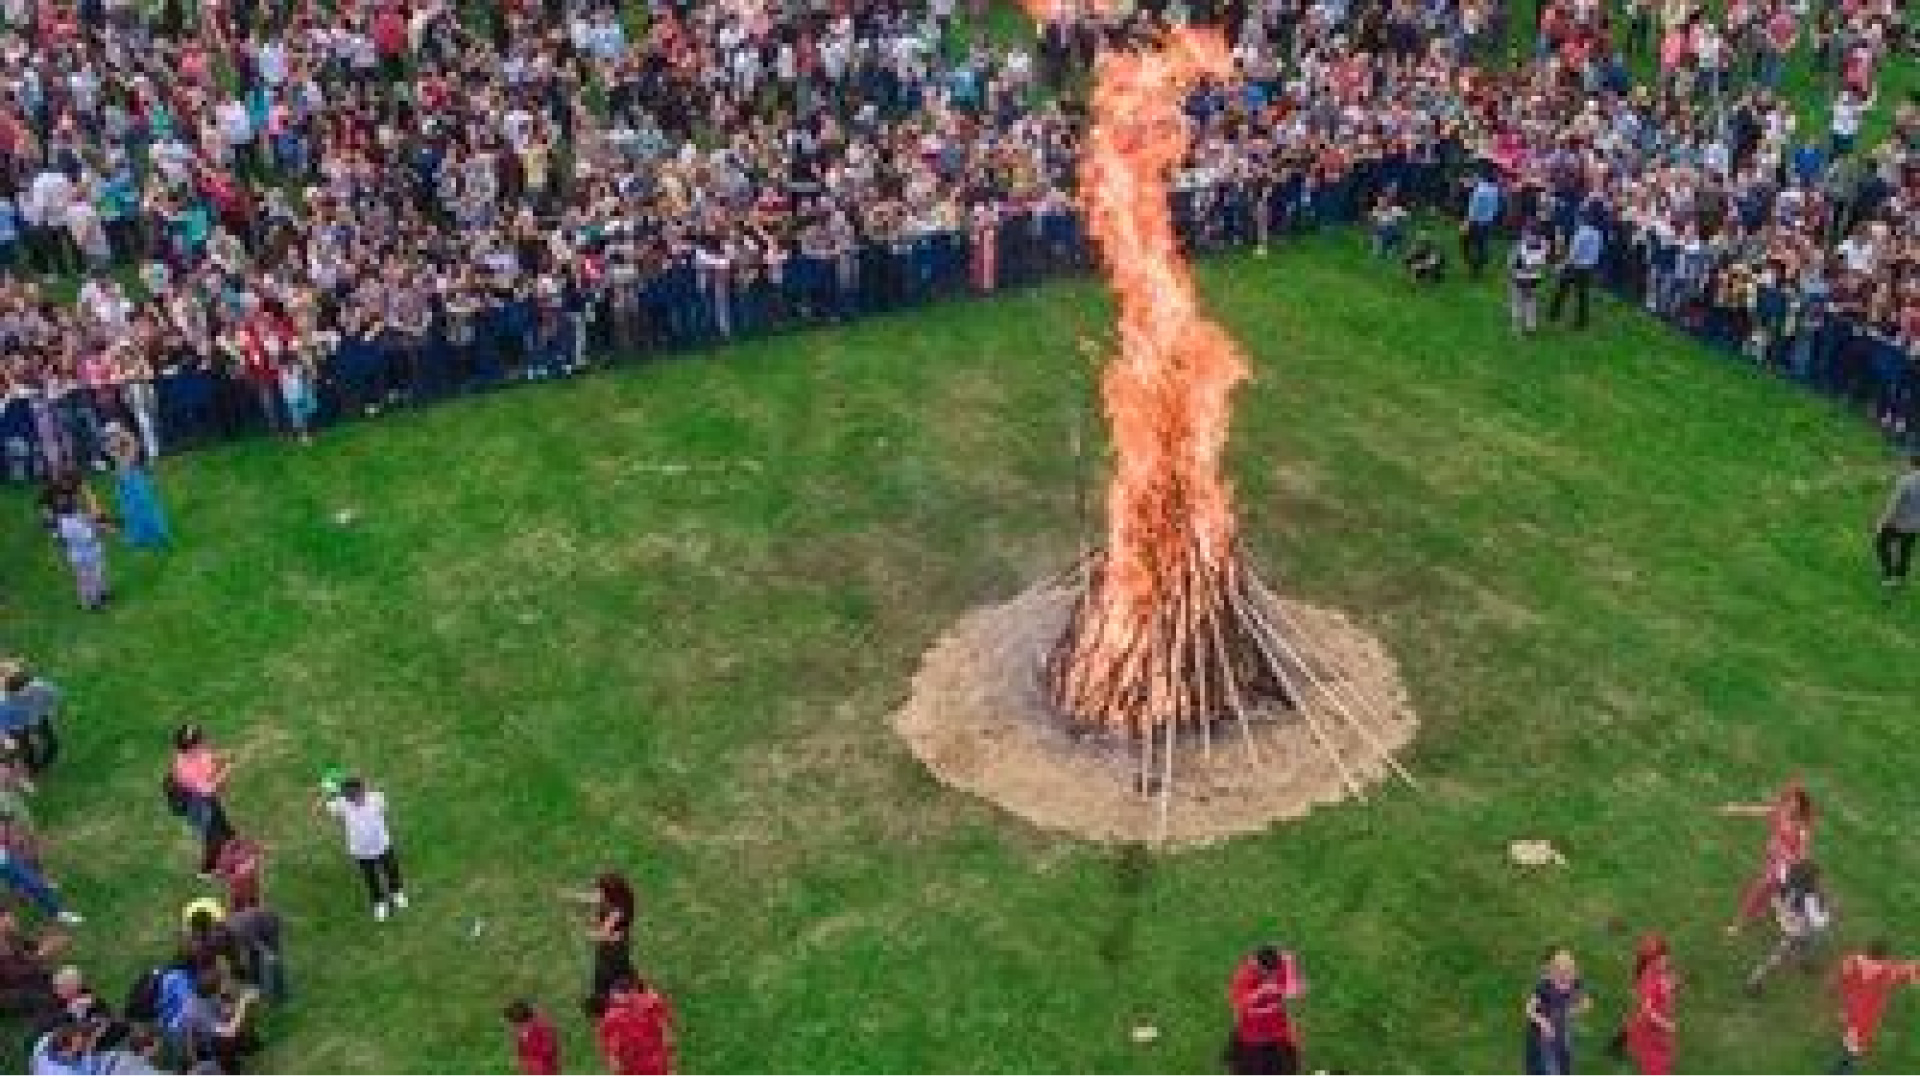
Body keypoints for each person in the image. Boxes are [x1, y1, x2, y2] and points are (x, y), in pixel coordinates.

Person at [1721, 781, 1814, 935]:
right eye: (1790, 800)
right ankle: (1751, 914)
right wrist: (1734, 809)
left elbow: (1802, 854)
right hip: (1773, 860)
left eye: (1795, 803)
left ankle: (1739, 923)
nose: (1791, 805)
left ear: (1800, 806)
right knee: (1765, 888)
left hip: (1783, 866)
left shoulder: (1801, 828)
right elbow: (1756, 811)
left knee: (1759, 888)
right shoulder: (1781, 812)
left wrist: (1786, 855)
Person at [320, 776, 407, 921]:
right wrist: (326, 792)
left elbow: (385, 810)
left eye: (357, 795)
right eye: (351, 797)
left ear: (363, 791)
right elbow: (321, 809)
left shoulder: (376, 799)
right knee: (371, 878)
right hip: (361, 851)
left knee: (391, 869)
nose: (355, 800)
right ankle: (379, 903)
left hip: (382, 845)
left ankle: (397, 893)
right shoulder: (341, 804)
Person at [1747, 860, 1831, 993]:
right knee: (1780, 955)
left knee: (1810, 941)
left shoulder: (1786, 879)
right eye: (1817, 878)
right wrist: (1829, 913)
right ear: (1809, 882)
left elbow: (1775, 891)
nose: (1820, 881)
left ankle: (1804, 960)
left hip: (1784, 916)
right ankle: (1754, 981)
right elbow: (1818, 922)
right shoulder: (1809, 898)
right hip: (1796, 927)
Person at [1835, 942, 1920, 1072]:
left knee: (1849, 1039)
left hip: (1849, 1010)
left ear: (1867, 951)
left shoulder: (1852, 962)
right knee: (1855, 1048)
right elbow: (1908, 970)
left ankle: (1846, 1056)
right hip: (1865, 1018)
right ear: (1883, 957)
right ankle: (1844, 1068)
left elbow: (1842, 979)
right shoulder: (1887, 973)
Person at [1224, 944, 1305, 1074]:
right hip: (1253, 1034)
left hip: (1278, 1031)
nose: (1272, 975)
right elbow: (1241, 1005)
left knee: (1284, 1068)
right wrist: (1261, 992)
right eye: (1268, 972)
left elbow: (1294, 992)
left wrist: (1290, 966)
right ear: (1257, 964)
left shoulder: (1280, 965)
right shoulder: (1244, 976)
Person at [168, 724, 236, 878]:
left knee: (220, 819)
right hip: (198, 805)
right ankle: (208, 870)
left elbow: (207, 756)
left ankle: (231, 839)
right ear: (190, 749)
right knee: (212, 837)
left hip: (208, 799)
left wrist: (221, 756)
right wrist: (226, 771)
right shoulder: (186, 770)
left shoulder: (194, 751)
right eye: (200, 741)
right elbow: (208, 790)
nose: (204, 741)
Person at [566, 873, 638, 1000]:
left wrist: (581, 928)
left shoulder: (617, 912)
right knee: (621, 968)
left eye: (600, 890)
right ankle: (629, 986)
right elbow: (590, 899)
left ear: (609, 893)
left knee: (605, 973)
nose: (597, 893)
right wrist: (569, 896)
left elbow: (601, 936)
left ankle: (603, 1000)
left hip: (613, 948)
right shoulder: (611, 899)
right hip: (615, 945)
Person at [1523, 947, 1589, 1075]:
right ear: (1552, 972)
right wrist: (1542, 1022)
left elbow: (1584, 1000)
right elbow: (1529, 1009)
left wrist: (1575, 1009)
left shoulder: (1574, 982)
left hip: (1561, 1025)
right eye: (1560, 973)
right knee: (1547, 1061)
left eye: (1568, 973)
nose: (1564, 978)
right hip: (1542, 1032)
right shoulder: (1544, 988)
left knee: (1564, 1051)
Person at [595, 974, 676, 1074]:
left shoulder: (650, 1005)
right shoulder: (612, 1018)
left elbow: (665, 1029)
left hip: (652, 1059)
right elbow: (612, 1046)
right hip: (636, 1063)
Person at [104, 426, 169, 550]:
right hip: (124, 480)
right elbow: (115, 462)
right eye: (108, 437)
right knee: (129, 509)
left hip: (132, 479)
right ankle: (139, 536)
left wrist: (122, 435)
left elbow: (132, 447)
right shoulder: (114, 449)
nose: (110, 440)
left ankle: (154, 533)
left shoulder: (129, 447)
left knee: (143, 505)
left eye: (112, 436)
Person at [1621, 934, 1676, 1075]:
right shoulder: (1649, 981)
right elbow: (1647, 1011)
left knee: (1664, 1058)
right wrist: (1665, 1024)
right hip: (1651, 1030)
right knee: (1656, 1066)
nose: (1665, 961)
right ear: (1650, 961)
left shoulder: (1660, 972)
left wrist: (1669, 985)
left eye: (1665, 955)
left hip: (1658, 1027)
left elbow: (1665, 985)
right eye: (1660, 959)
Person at [50, 495, 110, 612]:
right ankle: (96, 600)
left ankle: (85, 601)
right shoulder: (79, 520)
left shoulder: (61, 521)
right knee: (93, 575)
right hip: (89, 550)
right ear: (74, 508)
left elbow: (59, 538)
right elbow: (92, 533)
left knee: (82, 577)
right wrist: (100, 528)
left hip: (75, 553)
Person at [1547, 217, 1604, 329]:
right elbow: (1598, 251)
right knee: (1582, 295)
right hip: (1587, 268)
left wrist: (1562, 265)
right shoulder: (1597, 234)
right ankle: (1582, 321)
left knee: (1562, 290)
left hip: (1575, 266)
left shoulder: (1580, 233)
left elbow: (1573, 253)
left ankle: (1554, 313)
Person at [1873, 456, 1920, 587]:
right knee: (1905, 550)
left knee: (1881, 543)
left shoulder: (1906, 480)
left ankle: (1888, 574)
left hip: (1898, 521)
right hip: (1915, 524)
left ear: (1911, 463)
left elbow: (1893, 504)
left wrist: (1881, 522)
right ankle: (1900, 578)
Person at [1509, 230, 1551, 334]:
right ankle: (1529, 326)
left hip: (1524, 278)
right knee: (1528, 302)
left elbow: (1513, 263)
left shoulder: (1521, 247)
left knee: (1521, 302)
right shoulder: (1541, 248)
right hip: (1530, 279)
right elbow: (1542, 264)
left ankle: (1521, 326)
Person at [505, 998, 562, 1074]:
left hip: (545, 1068)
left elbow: (549, 1048)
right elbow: (522, 1049)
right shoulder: (522, 1029)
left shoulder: (540, 1025)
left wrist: (530, 1063)